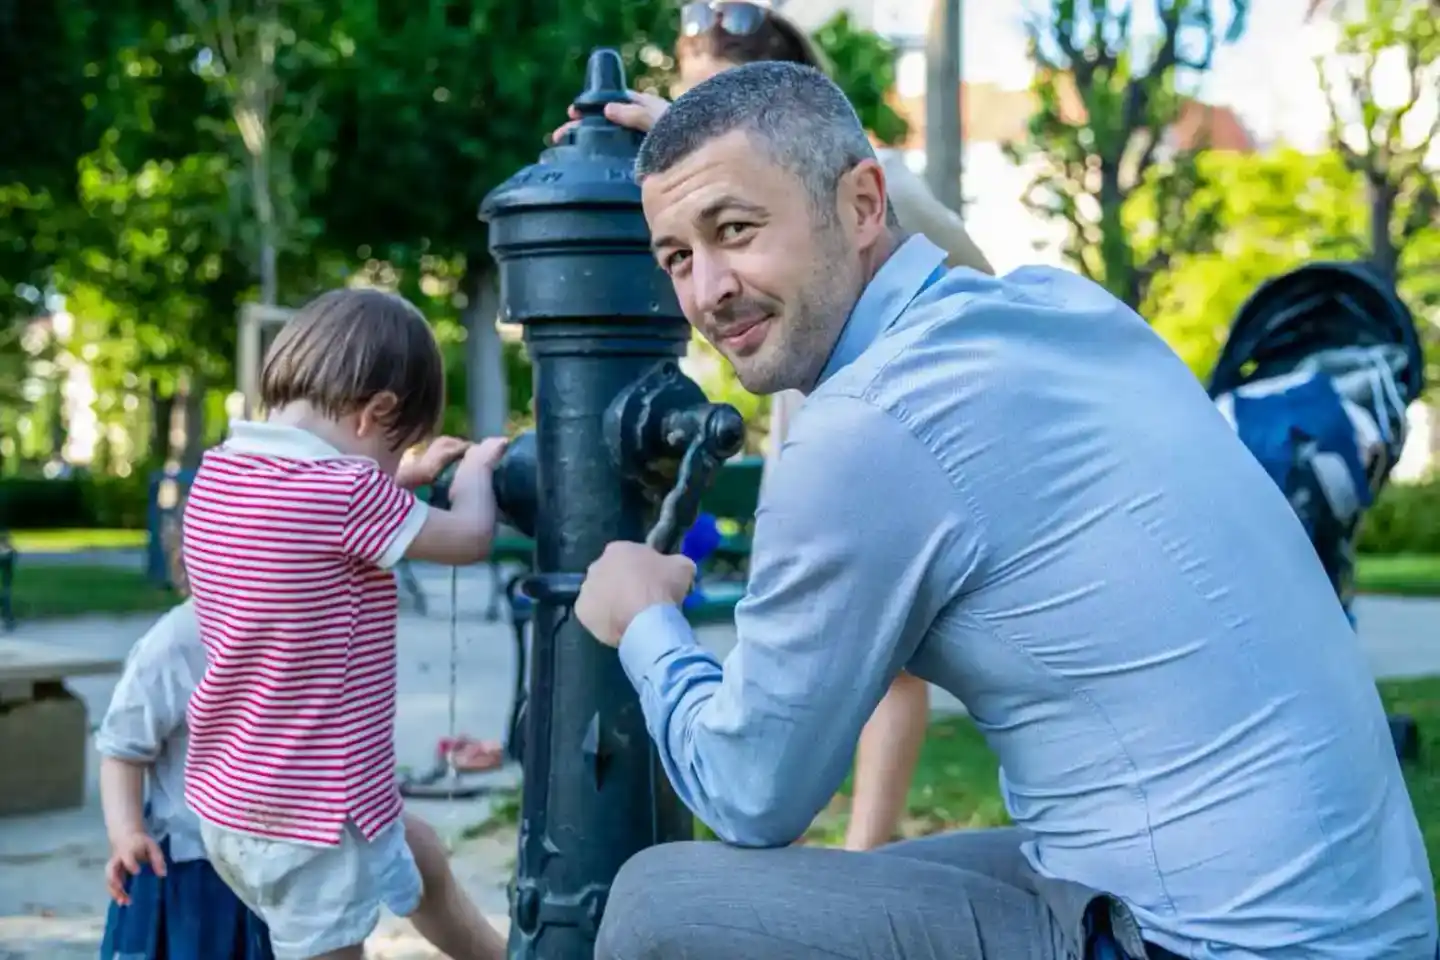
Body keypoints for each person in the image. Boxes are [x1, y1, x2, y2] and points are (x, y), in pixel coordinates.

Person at [571, 62, 1437, 959]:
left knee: (660, 905)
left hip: (1220, 946)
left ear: (862, 205)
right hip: (1365, 927)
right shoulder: (1064, 311)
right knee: (901, 875)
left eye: (738, 230)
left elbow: (754, 794)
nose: (707, 289)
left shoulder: (863, 429)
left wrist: (646, 620)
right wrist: (739, 162)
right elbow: (926, 250)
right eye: (678, 255)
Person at [555, 0, 992, 852]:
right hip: (817, 420)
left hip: (872, 426)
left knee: (890, 664)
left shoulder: (867, 181)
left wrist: (646, 629)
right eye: (687, 107)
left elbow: (969, 268)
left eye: (715, 104)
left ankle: (867, 849)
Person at [180, 288, 508, 960]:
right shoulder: (346, 494)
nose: (392, 471)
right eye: (398, 448)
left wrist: (398, 476)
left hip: (238, 798)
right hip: (314, 821)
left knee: (423, 867)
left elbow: (318, 526)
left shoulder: (222, 473)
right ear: (376, 413)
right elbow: (470, 537)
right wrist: (476, 471)